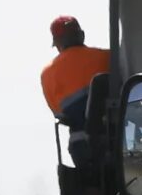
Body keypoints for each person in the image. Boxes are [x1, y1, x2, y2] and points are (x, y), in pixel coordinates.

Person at [41, 16, 113, 160]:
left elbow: (60, 115)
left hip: (81, 147)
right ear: (81, 35)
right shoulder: (108, 57)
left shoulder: (47, 74)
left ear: (58, 44)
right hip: (116, 141)